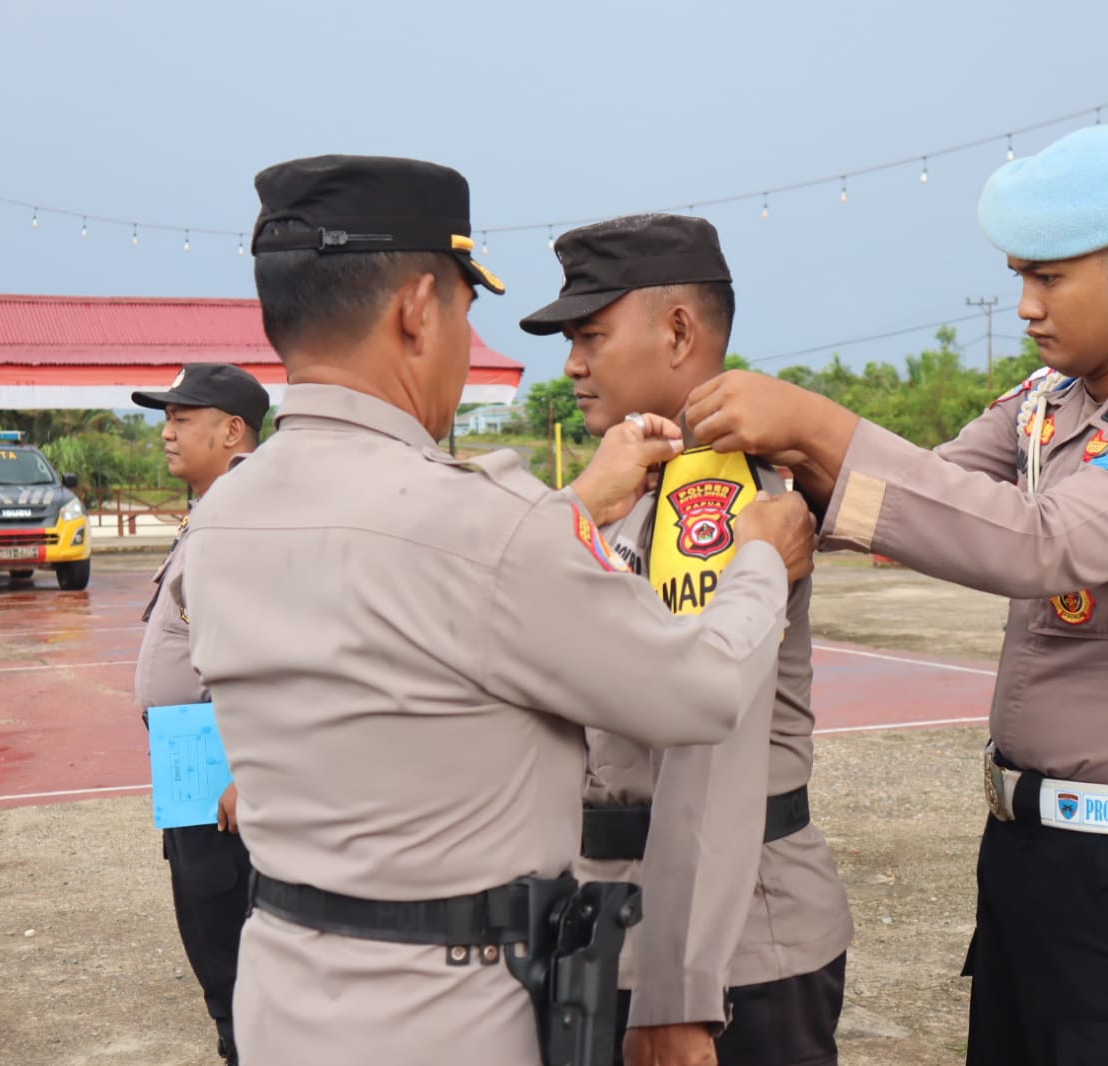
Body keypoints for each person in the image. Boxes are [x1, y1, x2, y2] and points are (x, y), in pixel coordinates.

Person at [180, 154, 820, 1066]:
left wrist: (570, 509)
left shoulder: (226, 513)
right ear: (416, 308)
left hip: (283, 992)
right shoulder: (482, 524)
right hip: (445, 1011)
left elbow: (406, 611)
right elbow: (701, 688)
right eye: (466, 307)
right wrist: (761, 558)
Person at [683, 124, 1108, 1065]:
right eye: (1019, 278)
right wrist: (762, 469)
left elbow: (1046, 545)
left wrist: (820, 423)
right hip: (1023, 850)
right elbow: (932, 489)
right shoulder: (1046, 401)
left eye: (1048, 277)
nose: (1026, 306)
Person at [520, 213, 853, 1066]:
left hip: (728, 952)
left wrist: (679, 988)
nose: (572, 364)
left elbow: (711, 735)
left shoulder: (725, 494)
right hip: (617, 924)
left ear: (677, 332)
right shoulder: (629, 481)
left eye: (590, 334)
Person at [130, 361, 271, 1066]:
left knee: (231, 942)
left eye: (182, 419)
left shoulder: (244, 516)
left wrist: (252, 767)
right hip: (195, 764)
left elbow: (269, 651)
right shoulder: (216, 508)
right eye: (167, 418)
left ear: (231, 429)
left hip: (224, 773)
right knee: (211, 930)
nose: (167, 433)